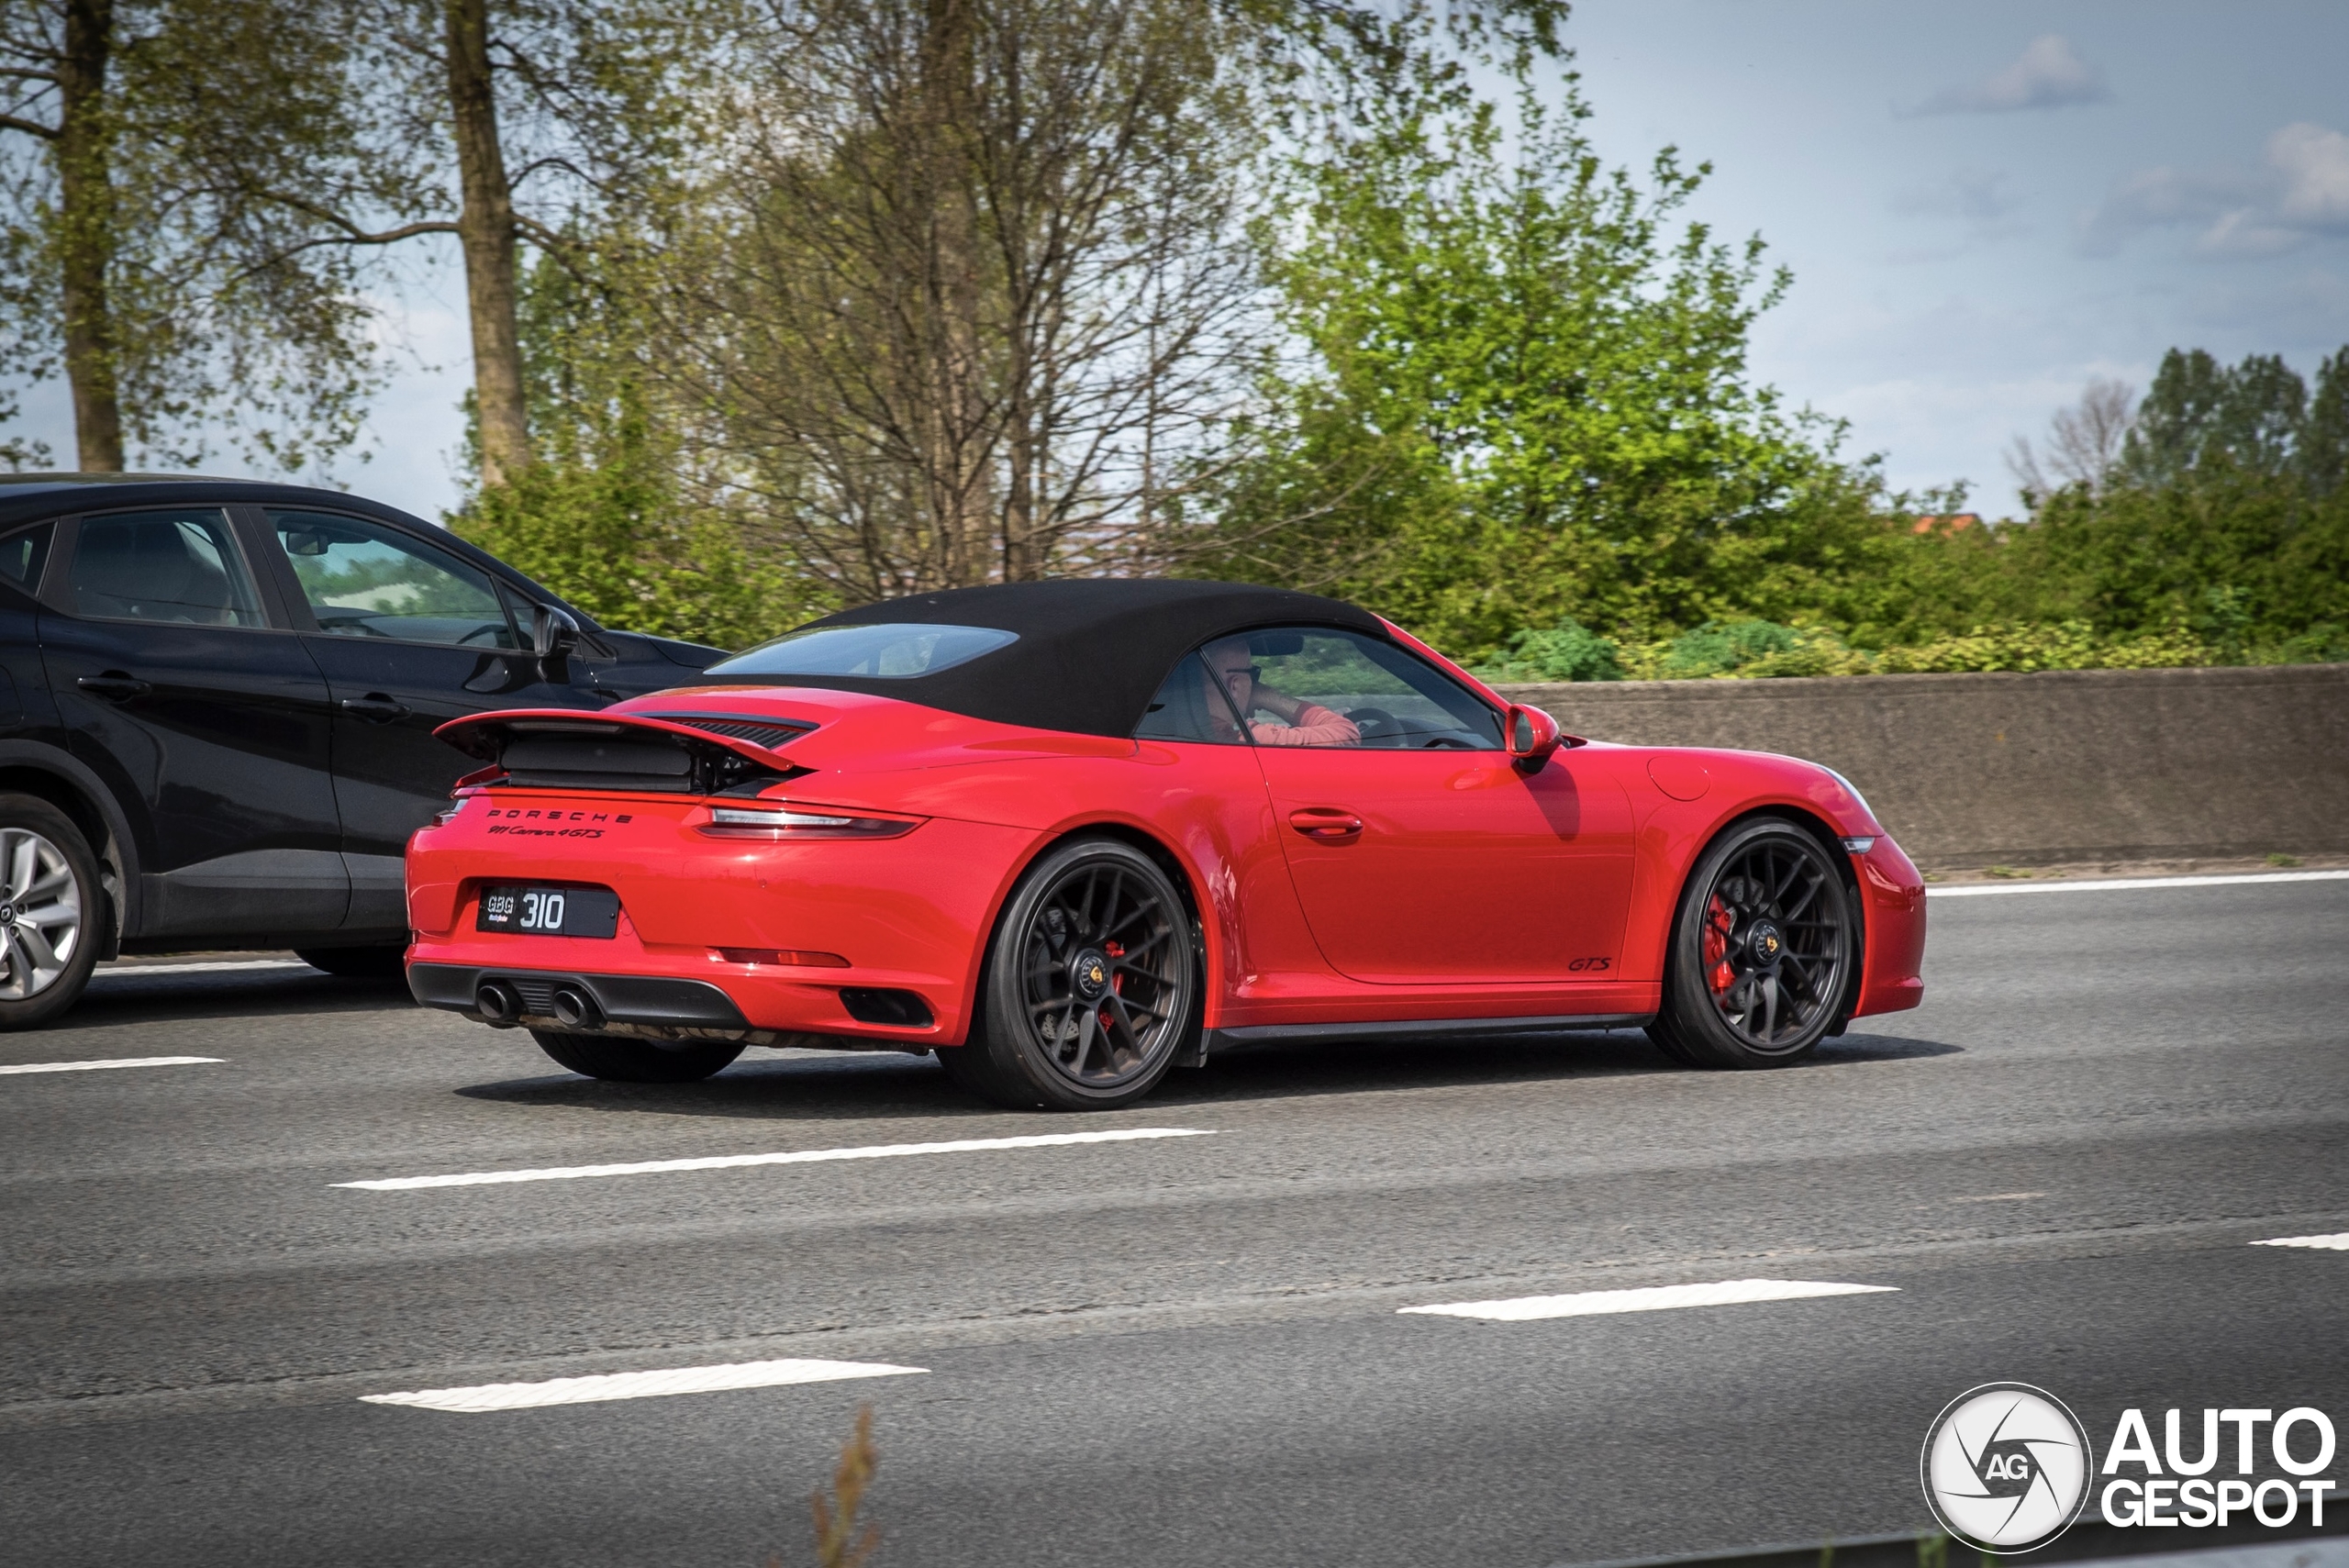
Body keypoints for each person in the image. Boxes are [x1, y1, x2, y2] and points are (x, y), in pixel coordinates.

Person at [1203, 636, 1360, 747]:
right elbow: (1347, 734)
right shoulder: (1248, 739)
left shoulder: (1193, 732)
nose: (1254, 683)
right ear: (1235, 685)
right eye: (1253, 674)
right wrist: (1267, 695)